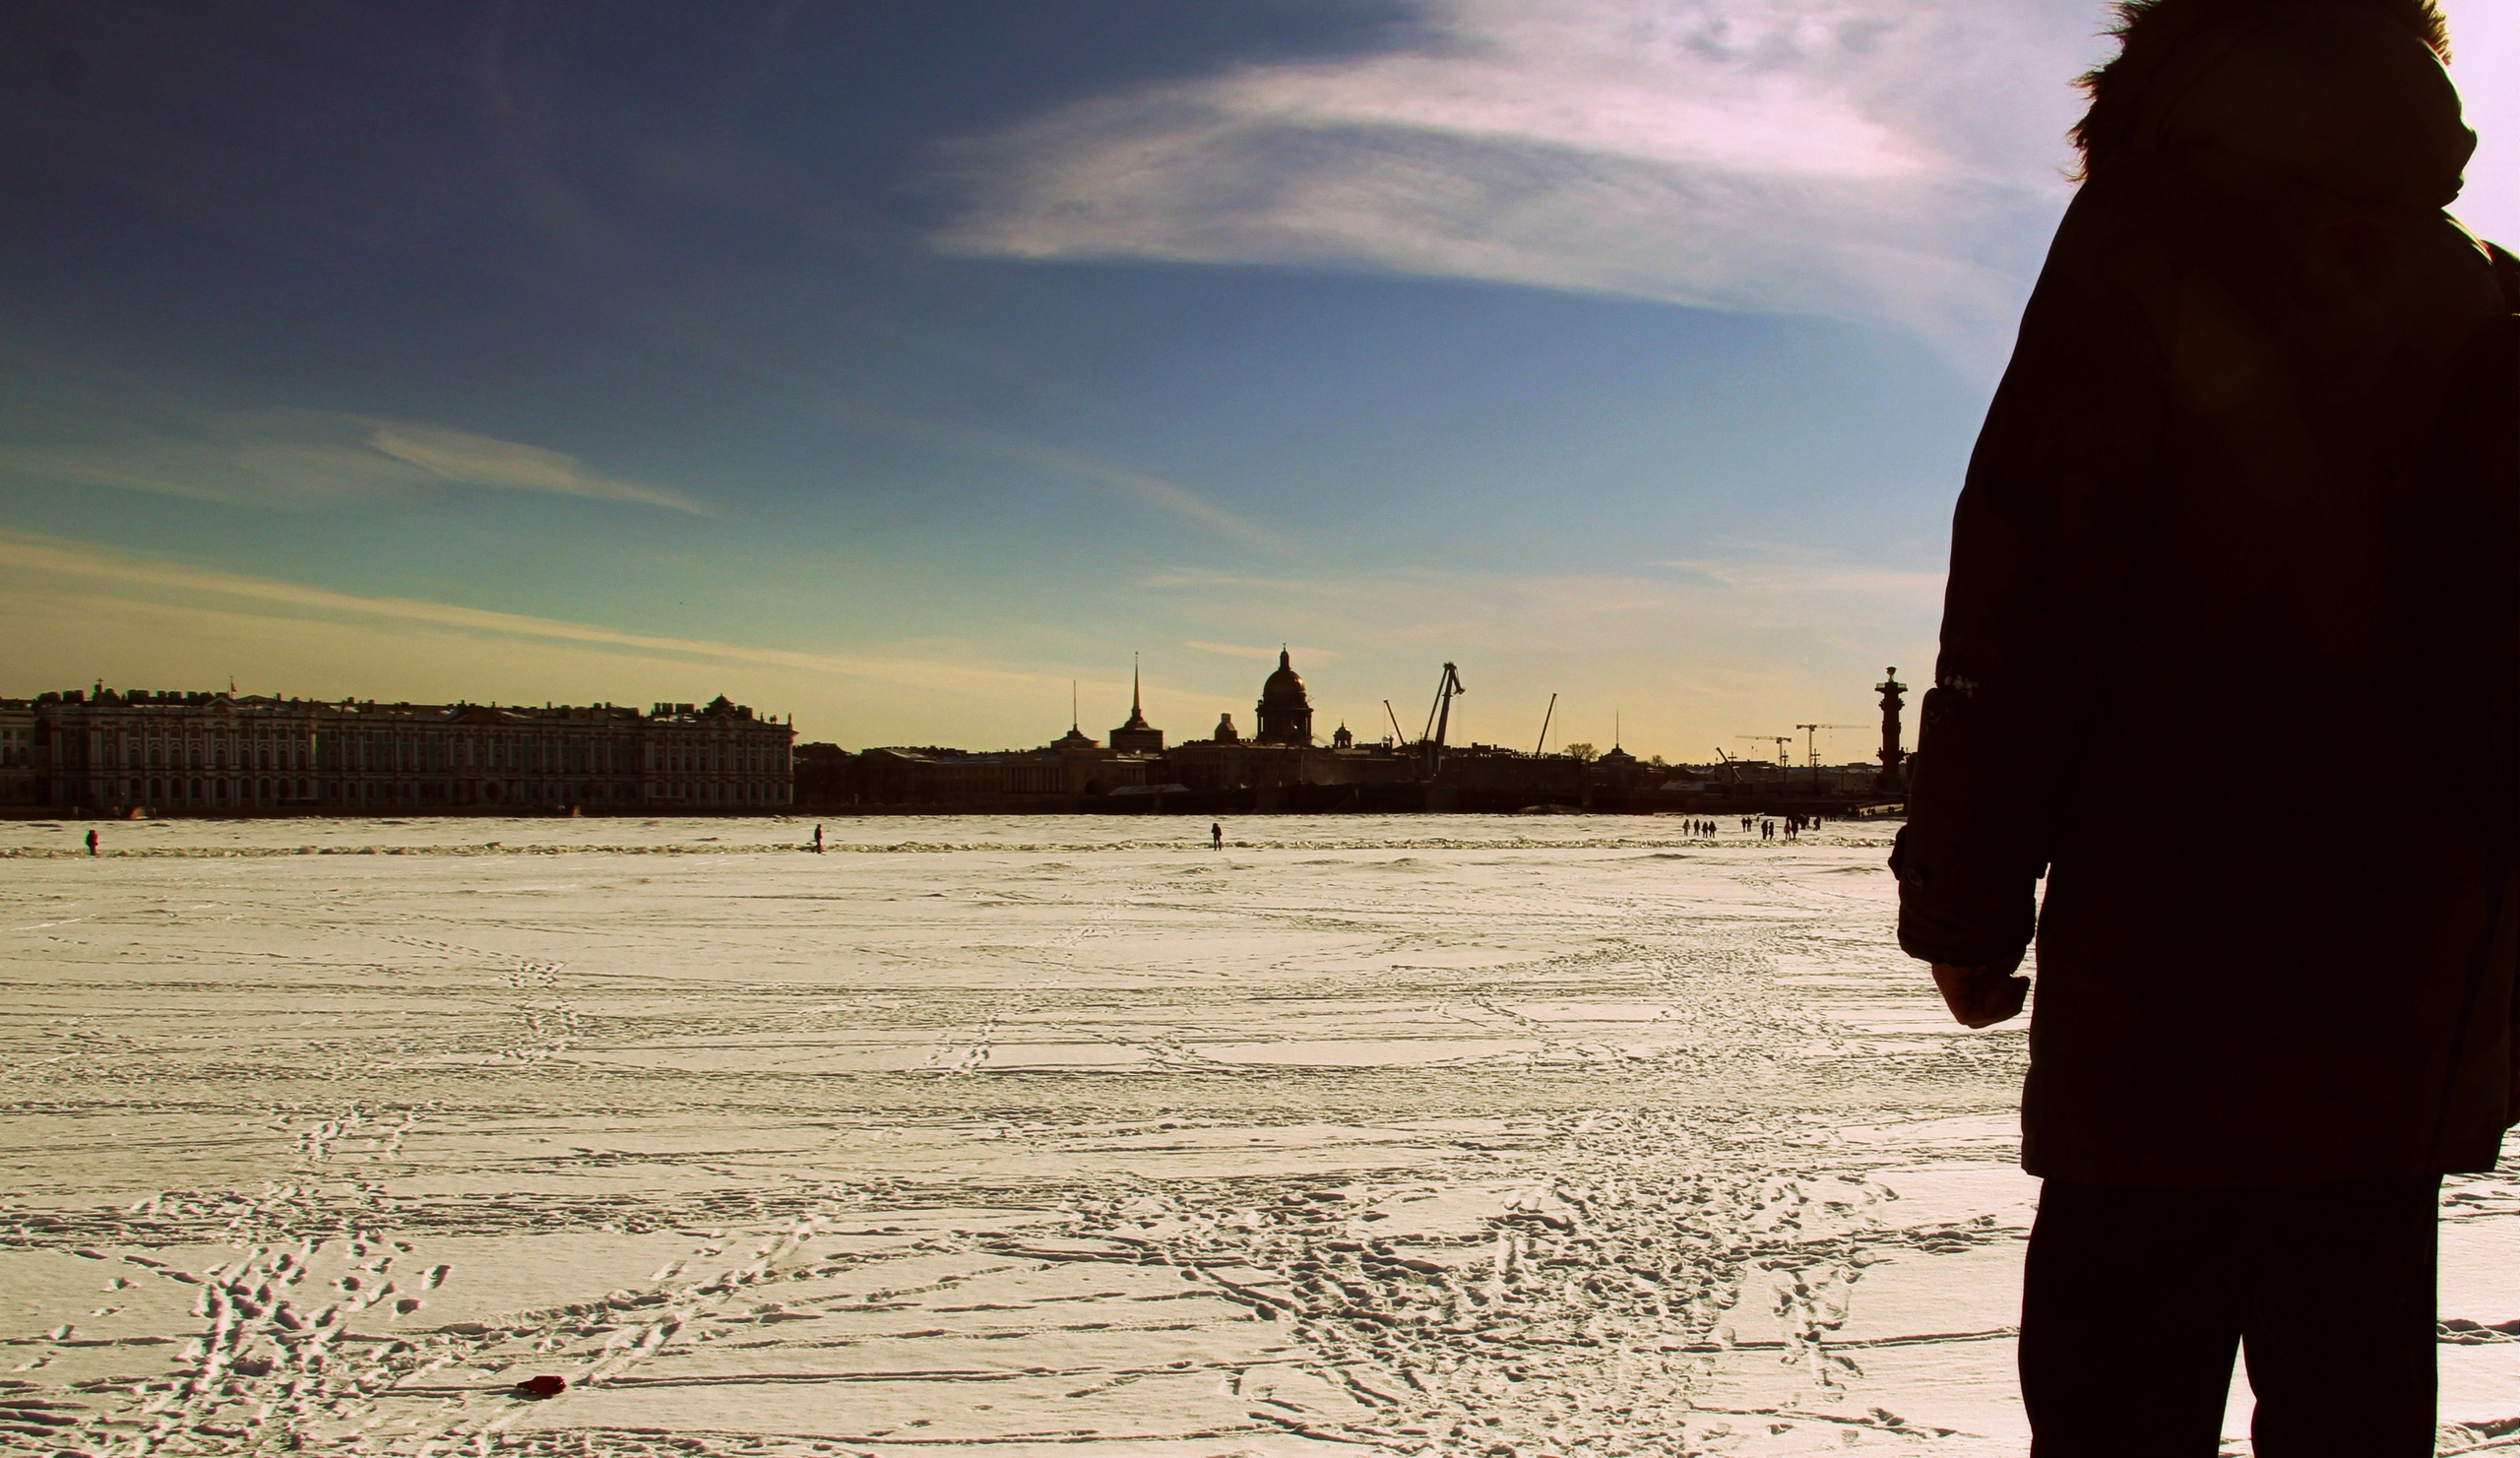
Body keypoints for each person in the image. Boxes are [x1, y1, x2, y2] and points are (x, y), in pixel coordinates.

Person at [1894, 3, 2519, 1452]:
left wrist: (1969, 900)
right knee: (2355, 1407)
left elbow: (2037, 576)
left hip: (2176, 961)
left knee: (2120, 1402)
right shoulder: (2475, 285)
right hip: (2411, 976)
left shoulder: (2151, 238)